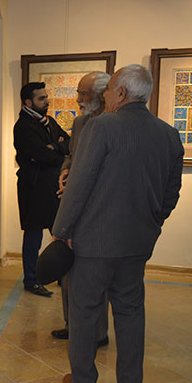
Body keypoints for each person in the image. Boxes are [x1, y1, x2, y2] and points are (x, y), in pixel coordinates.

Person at [52, 65, 183, 383]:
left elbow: (79, 185)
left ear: (122, 93)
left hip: (93, 245)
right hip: (137, 245)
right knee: (130, 314)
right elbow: (171, 193)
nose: (106, 96)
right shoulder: (169, 134)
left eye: (109, 90)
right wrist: (151, 224)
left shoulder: (102, 127)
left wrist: (61, 231)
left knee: (84, 313)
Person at [51, 71, 110, 347]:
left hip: (97, 212)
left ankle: (97, 333)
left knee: (94, 278)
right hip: (73, 208)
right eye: (78, 93)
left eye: (83, 94)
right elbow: (71, 156)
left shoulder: (112, 124)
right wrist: (65, 171)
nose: (78, 99)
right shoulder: (80, 122)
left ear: (102, 95)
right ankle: (72, 325)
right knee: (68, 271)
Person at [14, 82, 69, 296]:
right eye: (41, 98)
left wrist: (54, 146)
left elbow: (69, 143)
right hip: (33, 188)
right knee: (33, 236)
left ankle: (59, 274)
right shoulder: (23, 126)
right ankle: (31, 280)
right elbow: (42, 155)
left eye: (46, 97)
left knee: (59, 233)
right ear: (29, 102)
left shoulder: (50, 122)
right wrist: (56, 152)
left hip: (52, 186)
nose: (47, 101)